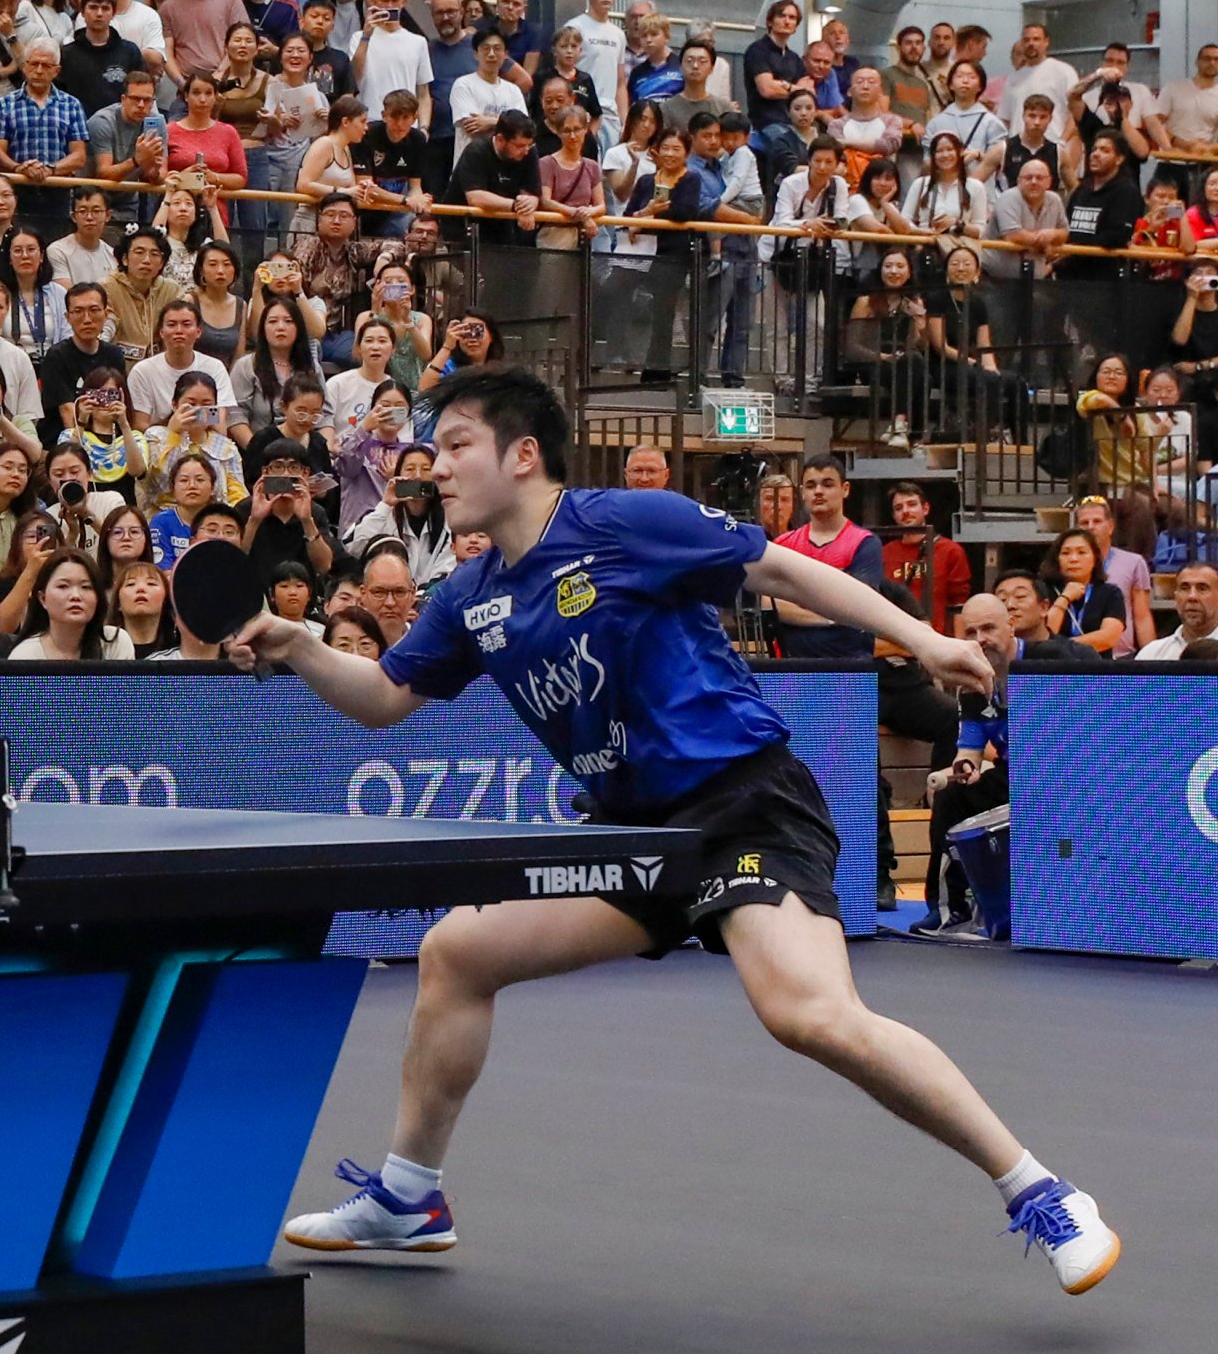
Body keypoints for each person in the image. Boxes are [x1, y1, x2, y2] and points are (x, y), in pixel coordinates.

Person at [236, 366, 1118, 1299]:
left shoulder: (622, 523)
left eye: (457, 446)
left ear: (522, 454)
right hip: (632, 835)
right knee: (456, 952)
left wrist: (923, 638)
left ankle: (1041, 1190)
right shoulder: (467, 596)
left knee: (809, 1014)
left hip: (741, 804)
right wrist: (297, 645)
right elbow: (381, 698)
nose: (437, 468)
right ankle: (409, 1197)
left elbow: (777, 568)